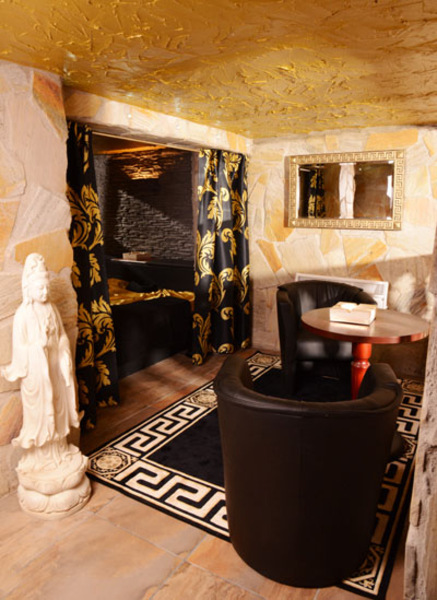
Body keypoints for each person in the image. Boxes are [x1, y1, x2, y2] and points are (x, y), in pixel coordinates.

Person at [0, 253, 79, 450]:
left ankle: (59, 449)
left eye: (46, 288)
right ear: (29, 288)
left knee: (58, 410)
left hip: (54, 369)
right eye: (40, 288)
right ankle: (43, 453)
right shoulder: (23, 315)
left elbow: (61, 335)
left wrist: (63, 351)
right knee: (42, 414)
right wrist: (39, 345)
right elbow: (20, 349)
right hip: (38, 376)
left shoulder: (51, 308)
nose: (44, 292)